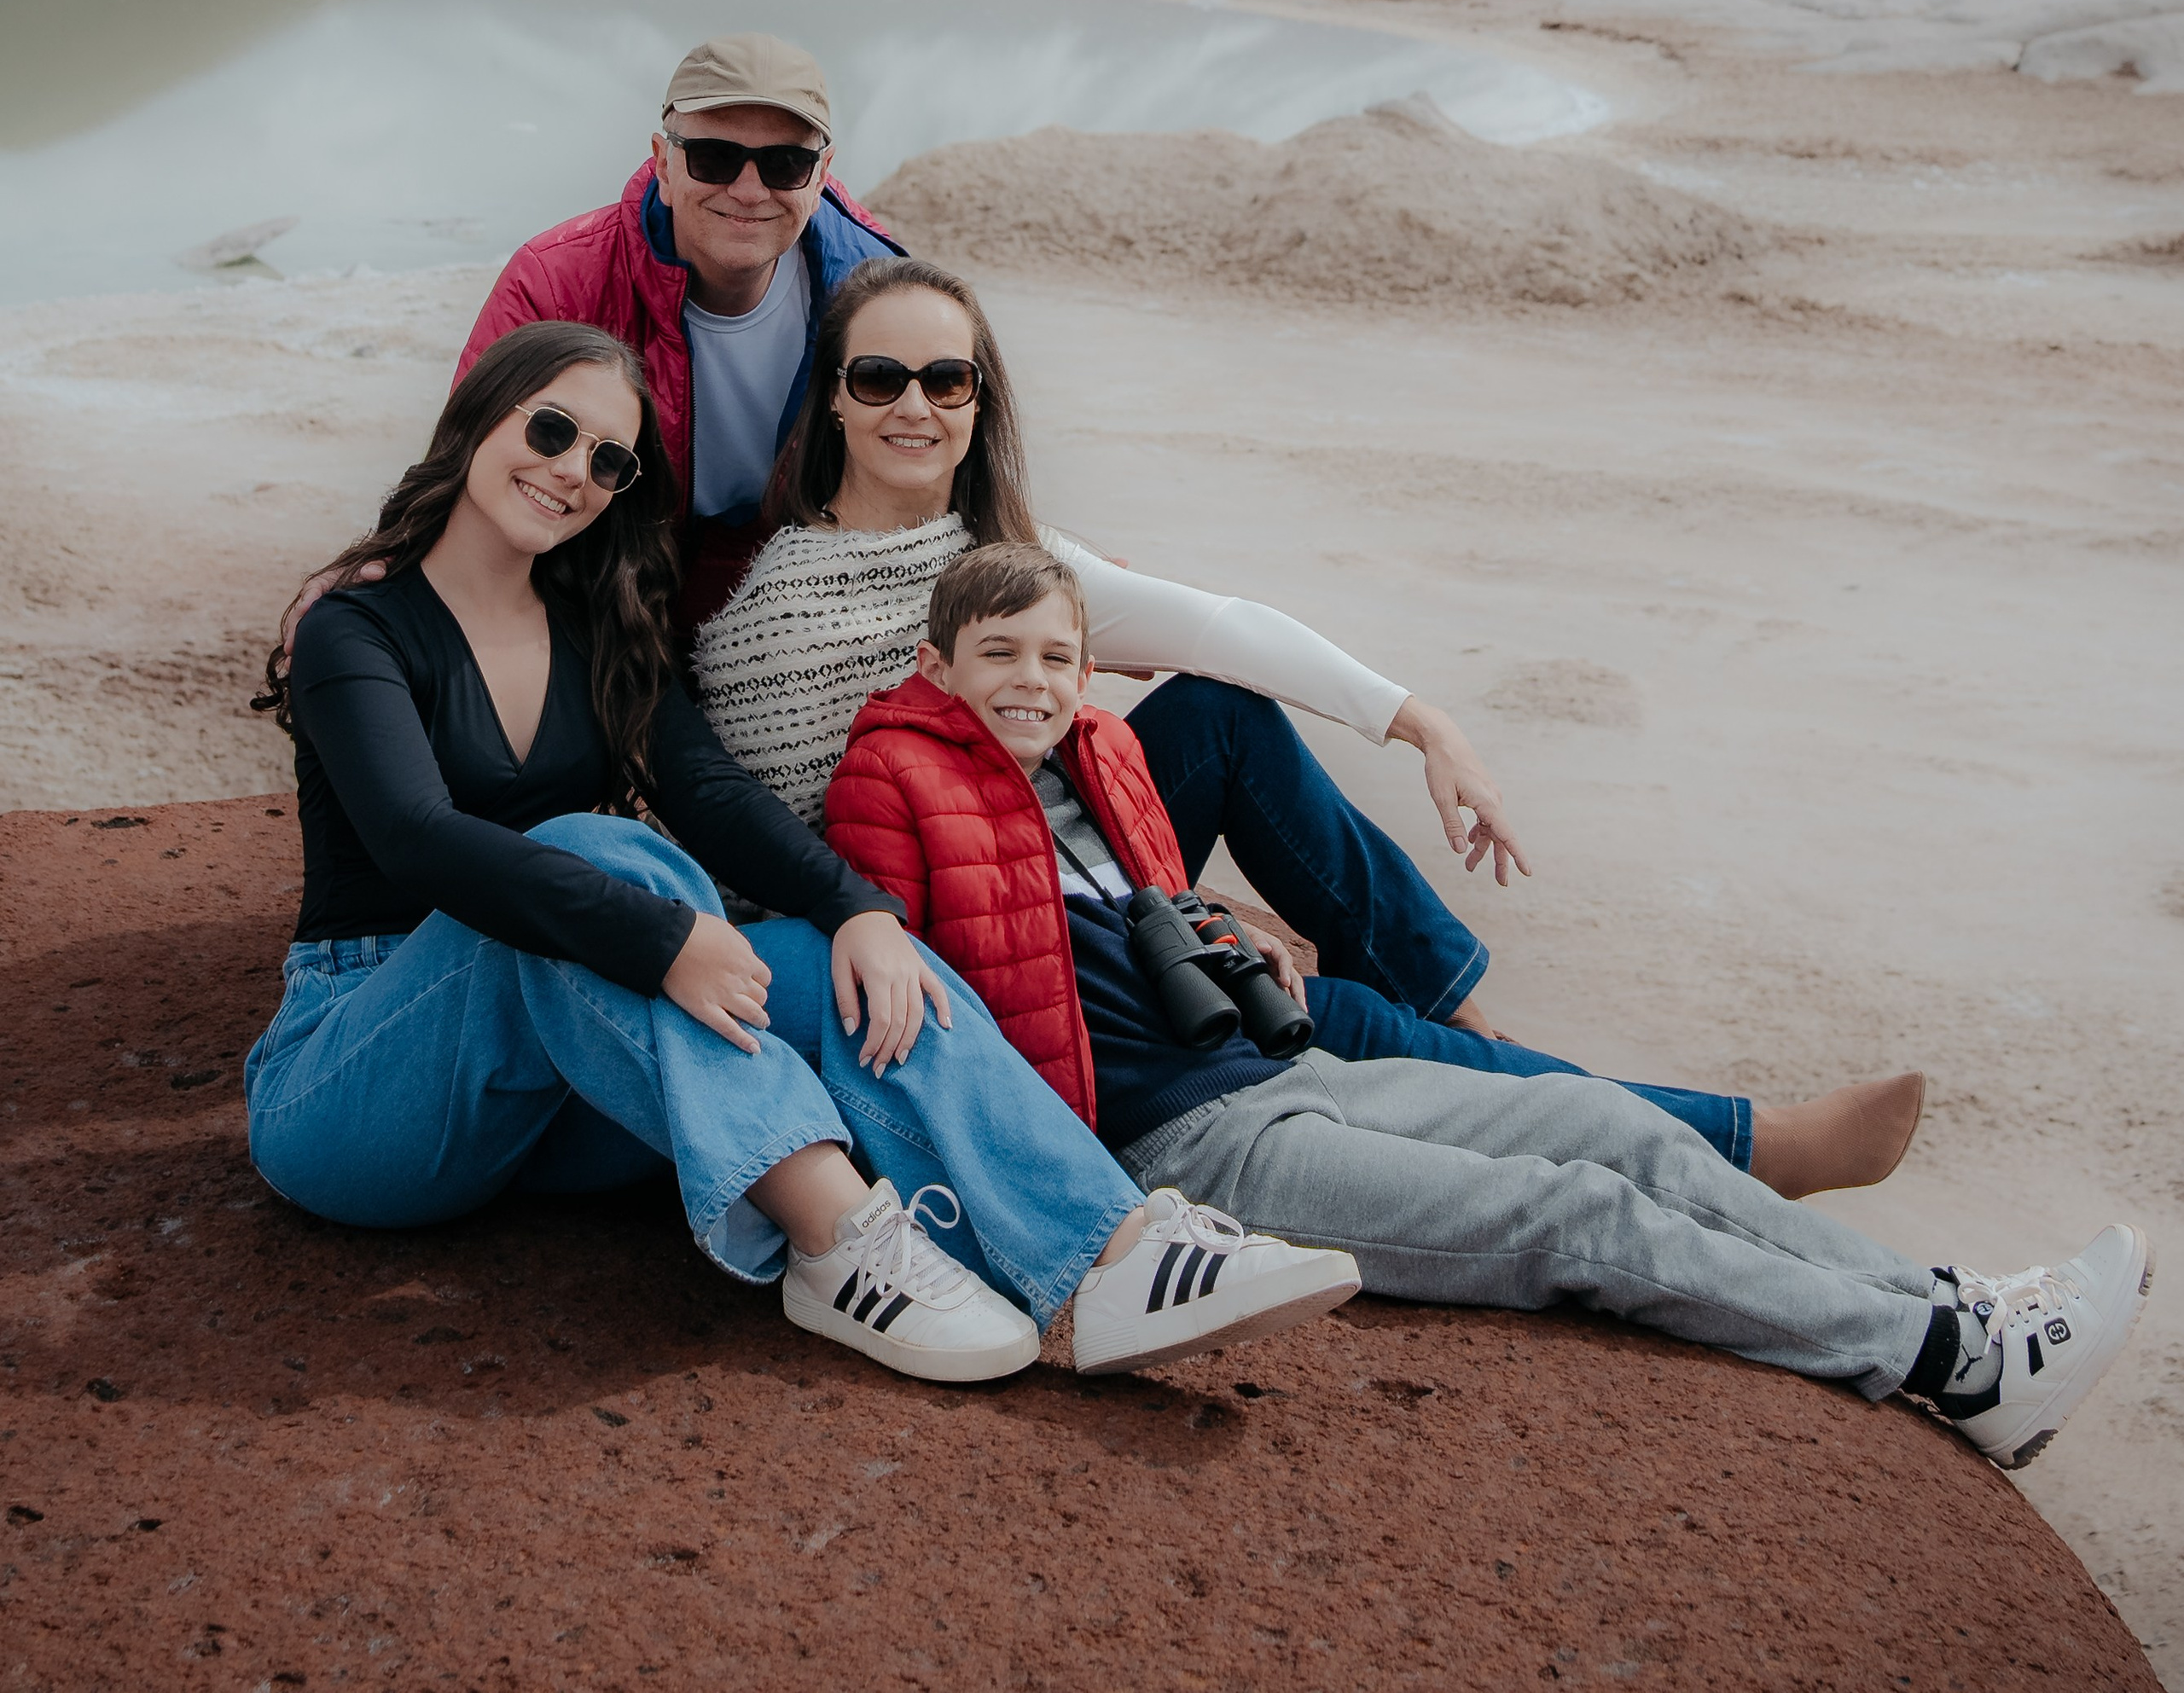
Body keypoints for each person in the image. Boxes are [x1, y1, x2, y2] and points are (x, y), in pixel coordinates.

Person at [825, 542, 2154, 1470]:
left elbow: (1131, 903)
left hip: (1275, 1072)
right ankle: (1943, 1358)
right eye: (999, 654)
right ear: (940, 666)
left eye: (1060, 657)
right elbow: (926, 969)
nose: (1036, 682)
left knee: (1604, 1127)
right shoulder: (890, 776)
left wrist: (1221, 925)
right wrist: (871, 933)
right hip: (1182, 1149)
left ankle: (1963, 1307)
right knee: (1570, 1213)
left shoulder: (1103, 752)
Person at [245, 321, 1360, 1388]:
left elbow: (713, 794)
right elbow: (420, 839)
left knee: (858, 970)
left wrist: (859, 911)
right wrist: (670, 935)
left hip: (557, 1099)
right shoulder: (359, 628)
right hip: (361, 1087)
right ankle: (842, 1240)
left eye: (610, 460)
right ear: (478, 420)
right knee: (590, 855)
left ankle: (1117, 1258)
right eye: (549, 430)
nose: (573, 470)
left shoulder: (595, 626)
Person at [695, 256, 1926, 1199]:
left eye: (947, 379)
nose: (916, 405)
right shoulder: (771, 614)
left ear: (979, 402)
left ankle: (1484, 1036)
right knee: (1330, 1009)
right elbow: (783, 835)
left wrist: (1419, 722)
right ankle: (1715, 1133)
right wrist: (1141, 908)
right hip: (953, 922)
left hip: (1065, 871)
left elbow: (1219, 629)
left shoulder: (1005, 561)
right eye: (881, 378)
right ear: (838, 404)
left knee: (1224, 715)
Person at [455, 32, 903, 628]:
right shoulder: (557, 281)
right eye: (714, 158)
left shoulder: (887, 301)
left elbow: (950, 472)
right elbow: (466, 467)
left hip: (804, 613)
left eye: (785, 164)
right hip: (596, 595)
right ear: (663, 164)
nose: (748, 191)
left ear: (821, 176)